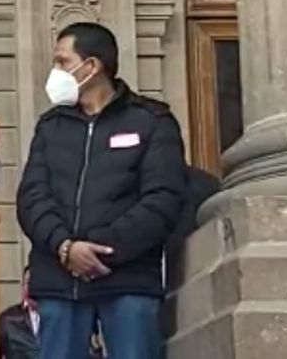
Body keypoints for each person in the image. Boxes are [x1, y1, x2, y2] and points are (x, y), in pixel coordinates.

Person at [16, 22, 186, 359]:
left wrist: (100, 250)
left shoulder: (151, 120)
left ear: (91, 66)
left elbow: (163, 199)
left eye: (62, 62)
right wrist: (66, 248)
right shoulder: (51, 126)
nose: (55, 72)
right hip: (59, 282)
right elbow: (32, 197)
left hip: (128, 280)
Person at [0, 265, 41, 359]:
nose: (32, 288)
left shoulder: (61, 319)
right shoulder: (6, 320)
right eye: (28, 283)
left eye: (36, 283)